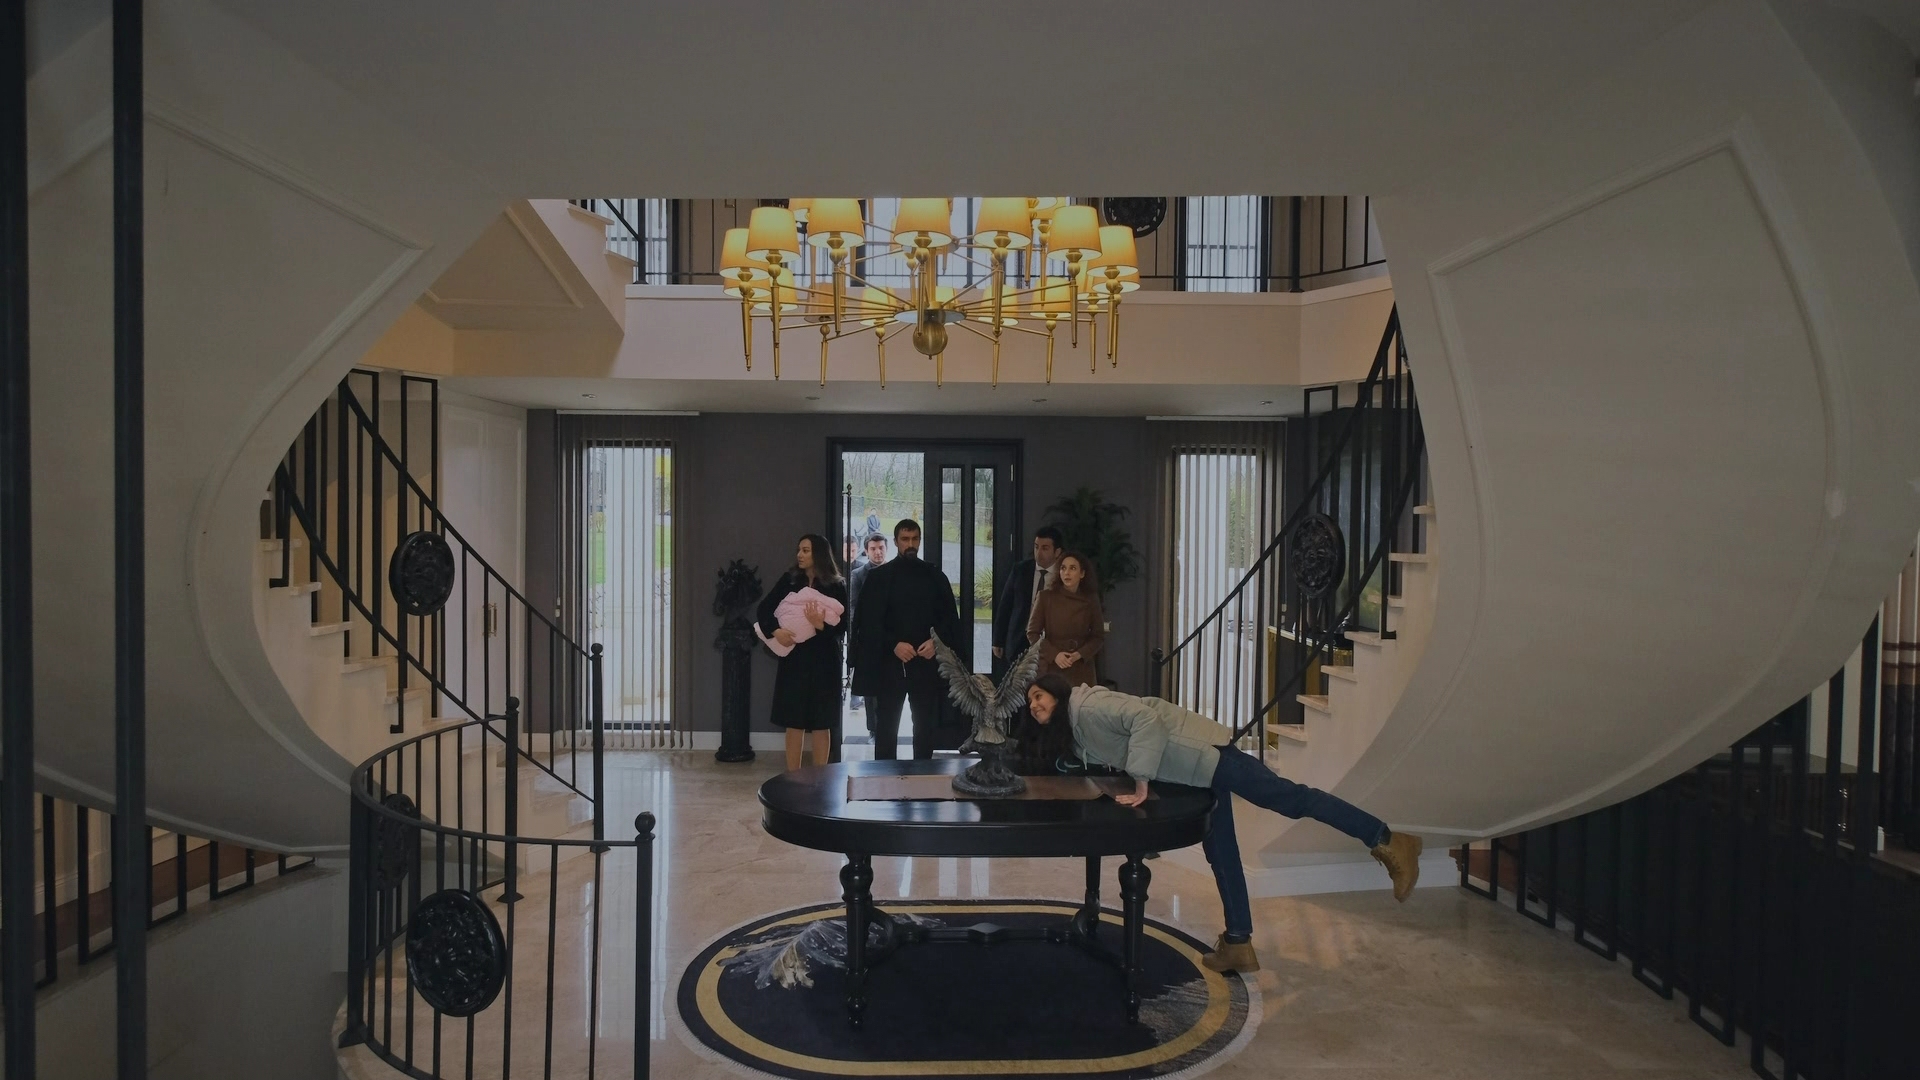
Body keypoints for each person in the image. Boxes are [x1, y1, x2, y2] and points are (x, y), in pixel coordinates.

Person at [1024, 674, 1423, 974]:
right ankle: (1238, 943)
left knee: (1292, 799)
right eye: (1029, 702)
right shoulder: (1076, 725)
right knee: (1221, 849)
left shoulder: (1089, 707)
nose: (1033, 704)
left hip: (1206, 755)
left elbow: (1147, 720)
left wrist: (1141, 779)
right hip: (1192, 770)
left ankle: (1387, 838)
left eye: (1038, 695)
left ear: (1056, 692)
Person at [849, 519, 960, 760]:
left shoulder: (934, 576)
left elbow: (950, 618)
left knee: (925, 725)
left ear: (920, 540)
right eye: (905, 539)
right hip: (889, 664)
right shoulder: (879, 578)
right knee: (886, 724)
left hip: (925, 663)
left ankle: (924, 773)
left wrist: (936, 642)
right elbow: (868, 622)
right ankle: (884, 774)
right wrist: (893, 644)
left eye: (915, 539)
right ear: (896, 541)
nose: (910, 544)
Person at [757, 534, 849, 771]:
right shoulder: (789, 580)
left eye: (806, 550)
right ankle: (792, 777)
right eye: (799, 549)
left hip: (825, 661)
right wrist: (776, 631)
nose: (799, 554)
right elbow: (764, 609)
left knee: (822, 722)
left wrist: (820, 625)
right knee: (793, 720)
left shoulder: (836, 585)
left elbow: (843, 626)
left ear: (818, 553)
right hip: (795, 659)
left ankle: (821, 777)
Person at [1025, 551, 1105, 688]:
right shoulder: (1045, 597)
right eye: (1063, 568)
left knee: (1082, 701)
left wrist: (1080, 654)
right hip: (1053, 665)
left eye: (1072, 568)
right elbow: (1032, 633)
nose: (1067, 573)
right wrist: (1054, 655)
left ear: (1082, 574)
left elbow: (1098, 636)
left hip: (1081, 666)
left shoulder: (1091, 599)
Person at [992, 525, 1063, 668]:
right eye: (1036, 547)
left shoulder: (1063, 575)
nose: (1039, 553)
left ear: (1057, 552)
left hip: (1050, 641)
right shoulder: (1020, 570)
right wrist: (998, 640)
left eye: (1045, 548)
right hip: (1020, 638)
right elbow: (1006, 605)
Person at [846, 534, 888, 713]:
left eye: (881, 548)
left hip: (891, 639)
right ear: (866, 551)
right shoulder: (858, 574)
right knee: (870, 693)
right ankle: (872, 725)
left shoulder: (893, 572)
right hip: (868, 640)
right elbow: (853, 606)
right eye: (873, 548)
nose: (878, 552)